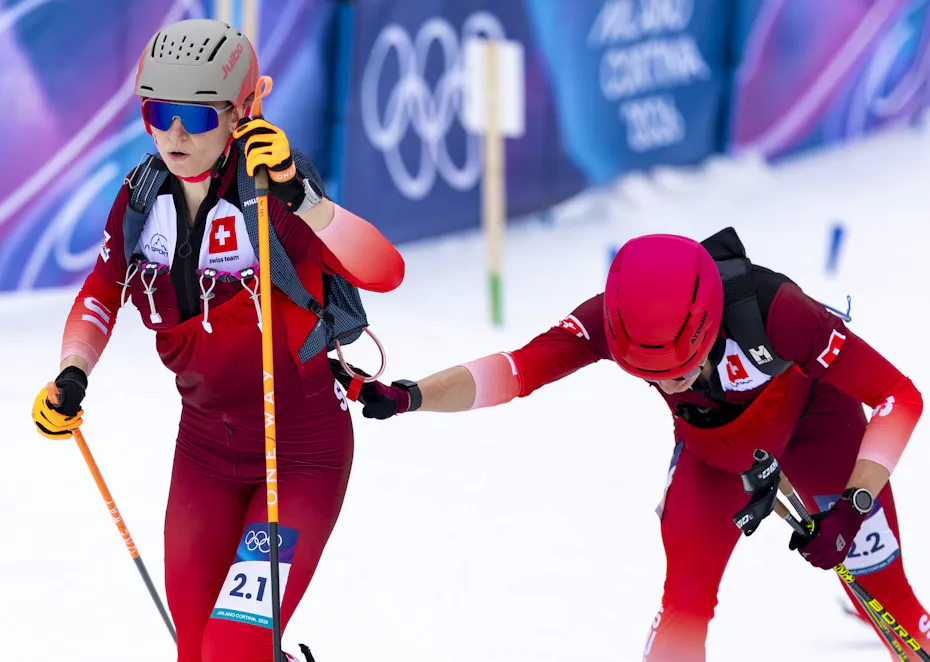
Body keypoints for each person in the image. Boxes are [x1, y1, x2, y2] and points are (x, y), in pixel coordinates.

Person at [340, 227, 928, 660]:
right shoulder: (607, 317)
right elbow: (517, 370)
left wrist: (854, 504)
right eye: (650, 375)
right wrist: (412, 395)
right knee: (685, 605)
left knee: (890, 598)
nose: (668, 384)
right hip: (716, 453)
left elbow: (899, 397)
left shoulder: (779, 312)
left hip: (821, 429)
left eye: (682, 368)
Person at [30, 18, 404, 662]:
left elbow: (384, 270)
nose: (173, 134)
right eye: (158, 112)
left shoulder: (275, 194)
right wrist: (73, 371)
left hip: (300, 455)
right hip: (204, 453)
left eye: (197, 118)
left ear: (241, 113)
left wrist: (304, 199)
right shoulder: (141, 198)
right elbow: (100, 290)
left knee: (234, 647)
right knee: (196, 651)